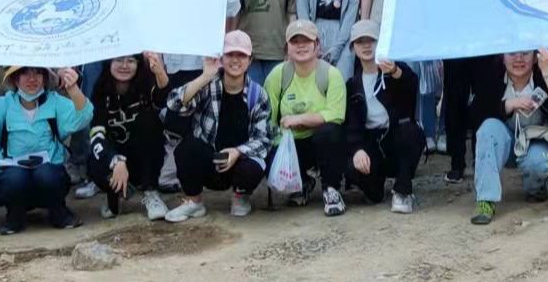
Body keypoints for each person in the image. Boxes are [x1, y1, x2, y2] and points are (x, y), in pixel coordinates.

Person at [0, 64, 91, 233]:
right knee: (15, 178)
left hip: (50, 176)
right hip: (12, 178)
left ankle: (59, 212)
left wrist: (73, 87)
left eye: (38, 73)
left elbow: (84, 114)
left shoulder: (54, 101)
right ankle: (14, 216)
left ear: (45, 79)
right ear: (15, 79)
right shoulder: (3, 104)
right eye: (25, 74)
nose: (32, 79)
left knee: (46, 174)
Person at [164, 32, 271, 221]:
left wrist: (237, 152)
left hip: (239, 161)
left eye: (241, 55)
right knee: (187, 148)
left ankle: (240, 197)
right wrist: (205, 76)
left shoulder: (258, 94)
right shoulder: (209, 85)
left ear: (250, 60)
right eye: (230, 54)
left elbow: (263, 139)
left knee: (255, 164)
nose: (235, 60)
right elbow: (174, 104)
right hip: (210, 160)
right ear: (221, 58)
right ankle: (194, 202)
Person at [469, 49, 548, 225]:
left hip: (539, 142)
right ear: (502, 57)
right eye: (512, 54)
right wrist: (508, 105)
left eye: (525, 53)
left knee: (538, 161)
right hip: (507, 144)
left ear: (534, 57)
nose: (518, 59)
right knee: (487, 129)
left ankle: (535, 188)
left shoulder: (543, 76)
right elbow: (474, 114)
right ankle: (485, 200)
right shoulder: (492, 77)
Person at [265, 20, 348, 215]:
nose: (301, 46)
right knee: (268, 157)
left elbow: (336, 115)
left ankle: (331, 189)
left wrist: (299, 119)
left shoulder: (331, 74)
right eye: (295, 41)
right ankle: (301, 182)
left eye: (307, 41)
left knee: (330, 132)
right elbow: (268, 116)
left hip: (320, 141)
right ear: (287, 47)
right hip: (289, 142)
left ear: (317, 44)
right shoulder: (278, 75)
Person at [342, 20, 422, 212]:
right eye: (360, 41)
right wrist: (357, 149)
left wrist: (395, 72)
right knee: (355, 168)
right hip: (371, 143)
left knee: (411, 131)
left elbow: (412, 86)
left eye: (371, 40)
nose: (367, 46)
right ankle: (373, 188)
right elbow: (351, 125)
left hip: (395, 138)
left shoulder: (396, 70)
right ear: (353, 47)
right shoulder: (352, 85)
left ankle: (403, 190)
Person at [86, 54, 171, 220]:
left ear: (138, 64)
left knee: (150, 121)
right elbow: (96, 135)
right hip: (115, 156)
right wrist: (115, 160)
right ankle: (115, 195)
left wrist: (160, 72)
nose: (124, 66)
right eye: (119, 60)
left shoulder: (145, 84)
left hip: (142, 157)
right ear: (109, 63)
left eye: (131, 61)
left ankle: (151, 192)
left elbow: (163, 100)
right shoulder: (100, 91)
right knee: (94, 163)